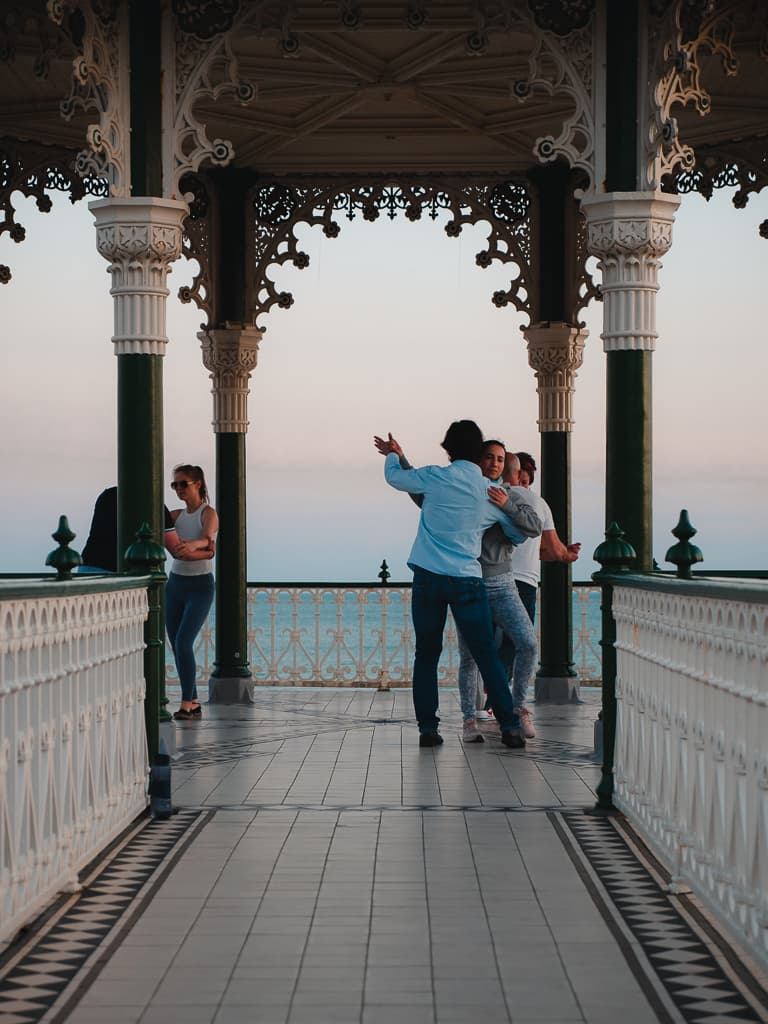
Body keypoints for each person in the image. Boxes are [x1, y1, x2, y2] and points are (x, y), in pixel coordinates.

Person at [374, 421, 542, 749]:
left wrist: (394, 456)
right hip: (467, 580)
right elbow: (523, 532)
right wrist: (504, 519)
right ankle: (509, 726)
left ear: (447, 448)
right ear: (479, 452)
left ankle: (428, 729)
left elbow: (396, 478)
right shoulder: (489, 492)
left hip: (428, 578)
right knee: (486, 655)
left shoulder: (435, 477)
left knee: (427, 654)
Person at [455, 443, 538, 743]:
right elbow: (424, 497)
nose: (494, 463)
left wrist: (507, 505)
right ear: (479, 461)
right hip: (470, 582)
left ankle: (518, 707)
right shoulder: (466, 492)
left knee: (527, 643)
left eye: (500, 459)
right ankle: (468, 719)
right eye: (489, 457)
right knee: (469, 657)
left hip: (503, 583)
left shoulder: (512, 494)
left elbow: (534, 525)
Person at [165, 464, 218, 721]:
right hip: (175, 584)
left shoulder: (207, 513)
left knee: (184, 641)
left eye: (183, 483)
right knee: (176, 644)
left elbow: (210, 545)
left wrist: (193, 546)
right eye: (174, 485)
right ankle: (194, 700)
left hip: (200, 586)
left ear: (198, 483)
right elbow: (173, 546)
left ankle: (187, 703)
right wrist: (183, 550)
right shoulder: (175, 516)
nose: (178, 489)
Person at [80, 486, 174, 573]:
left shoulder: (108, 495)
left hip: (88, 566)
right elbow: (177, 550)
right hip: (117, 573)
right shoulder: (154, 504)